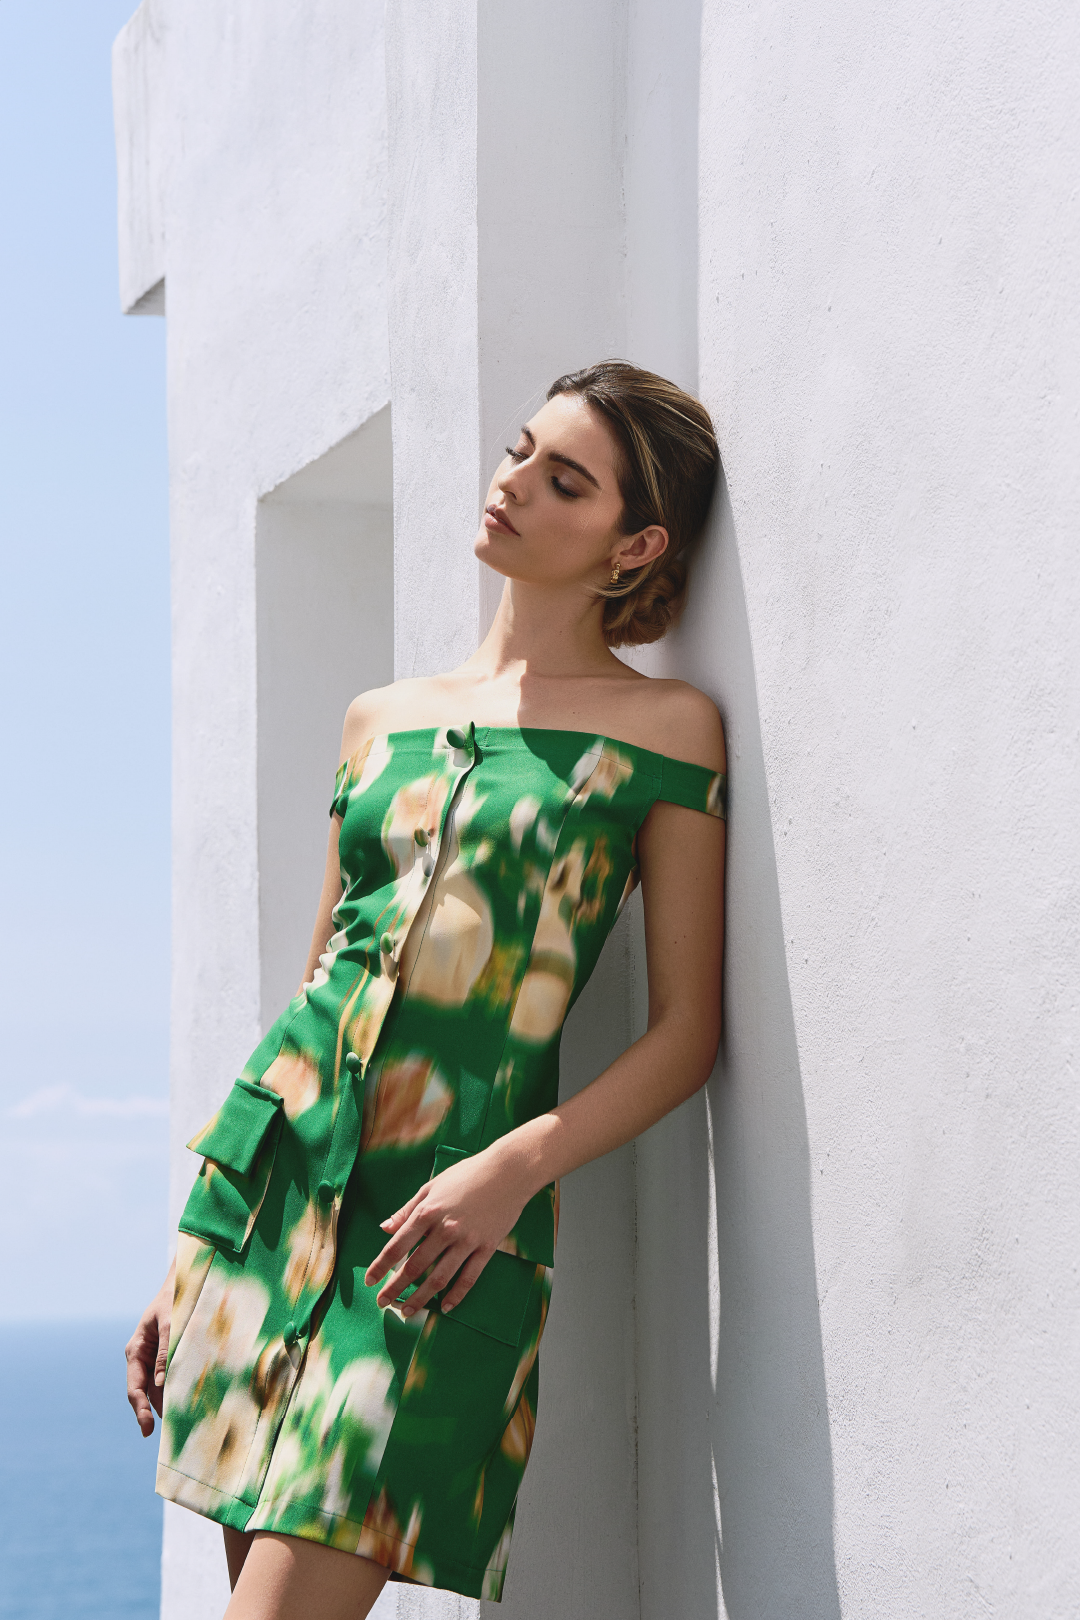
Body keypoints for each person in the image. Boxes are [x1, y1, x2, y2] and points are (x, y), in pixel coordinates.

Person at [126, 360, 727, 1619]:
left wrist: (512, 1169)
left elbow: (688, 1034)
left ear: (638, 544)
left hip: (439, 1234)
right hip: (270, 1205)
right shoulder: (379, 718)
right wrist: (191, 1250)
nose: (512, 484)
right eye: (520, 452)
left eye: (565, 480)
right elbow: (320, 983)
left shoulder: (666, 731)